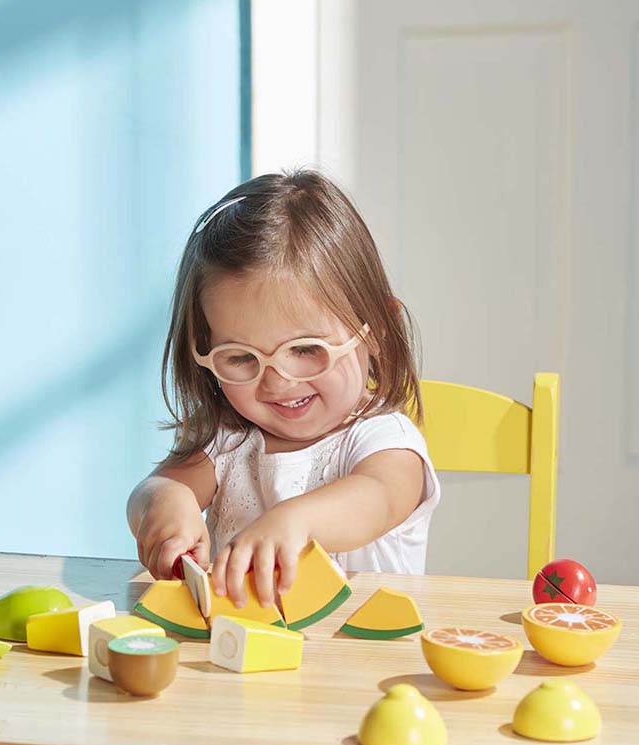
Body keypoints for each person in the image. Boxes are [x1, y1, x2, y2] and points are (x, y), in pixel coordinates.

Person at [127, 168, 440, 610]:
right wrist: (166, 510)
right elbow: (155, 488)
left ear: (376, 330)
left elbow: (380, 497)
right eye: (240, 357)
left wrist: (294, 521)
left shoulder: (385, 440)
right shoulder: (227, 439)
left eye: (307, 349)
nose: (278, 381)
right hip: (242, 662)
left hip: (365, 668)